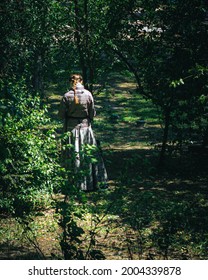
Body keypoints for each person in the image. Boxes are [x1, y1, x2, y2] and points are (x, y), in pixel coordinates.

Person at [58, 74, 108, 191]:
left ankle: (74, 184)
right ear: (81, 81)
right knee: (88, 154)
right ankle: (93, 183)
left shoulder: (66, 96)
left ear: (71, 82)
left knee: (74, 155)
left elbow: (60, 115)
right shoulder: (88, 94)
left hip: (71, 130)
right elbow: (92, 113)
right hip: (86, 130)